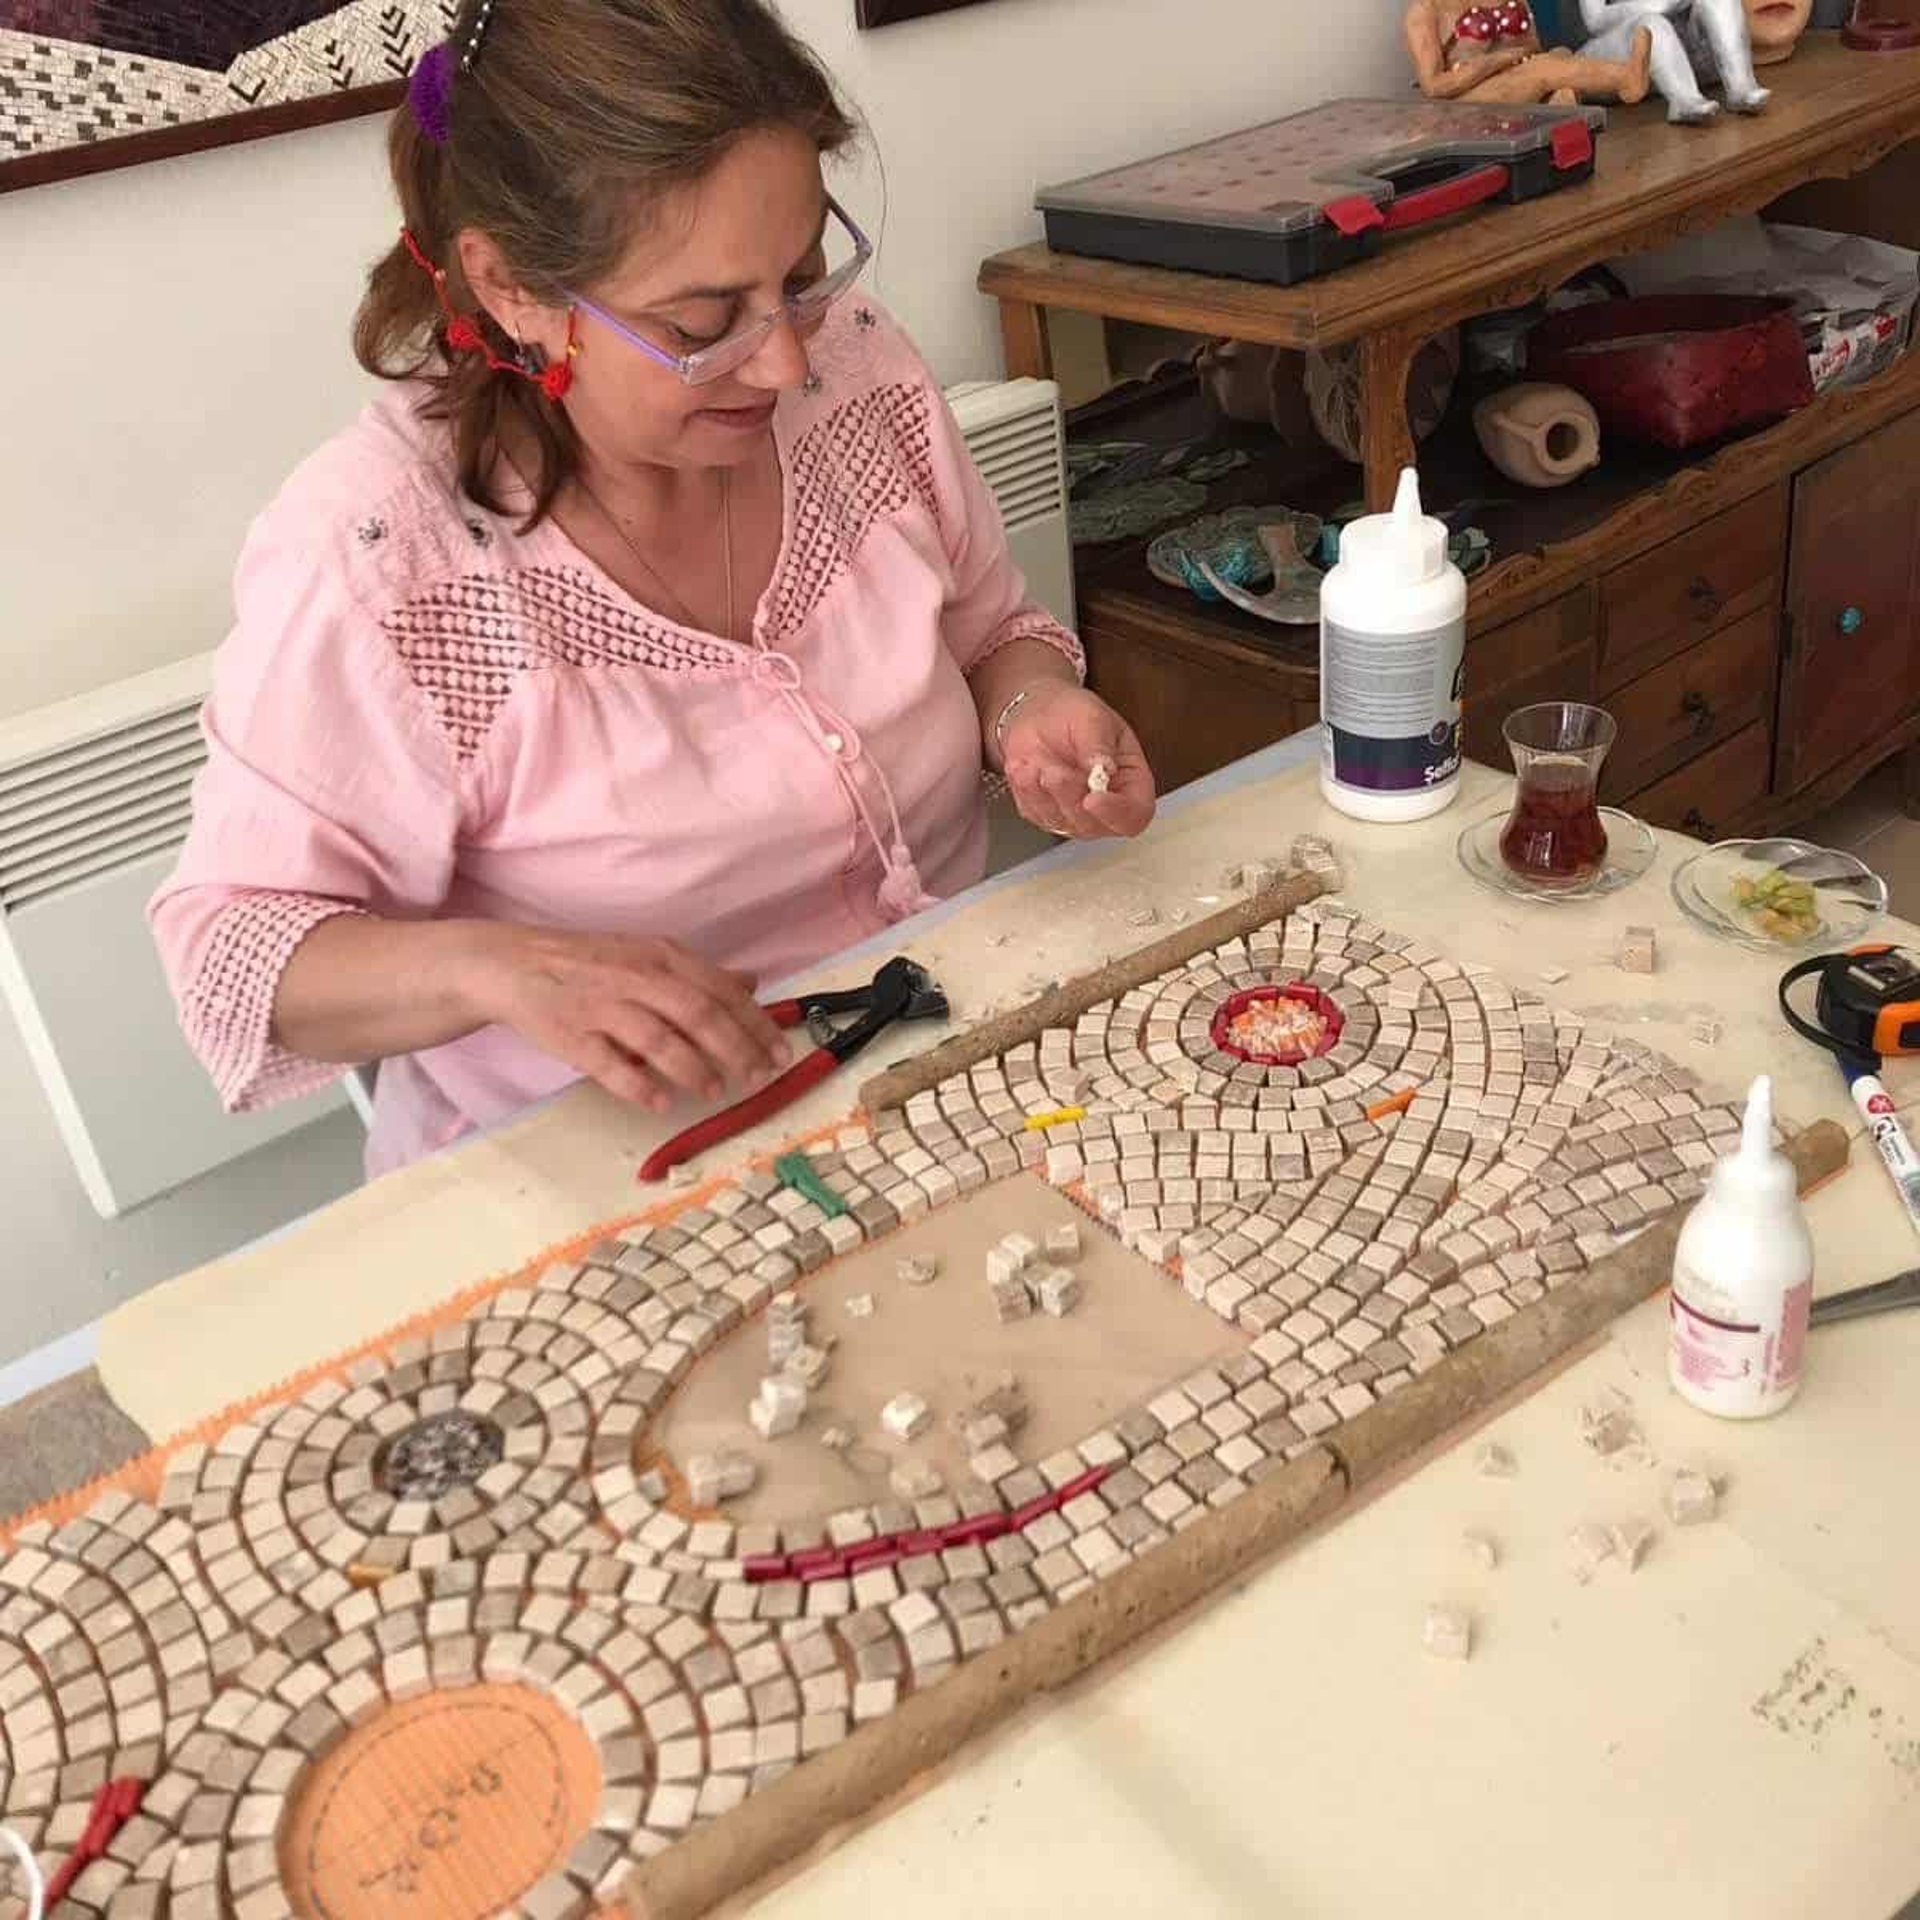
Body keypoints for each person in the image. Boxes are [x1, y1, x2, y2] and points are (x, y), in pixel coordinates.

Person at [150, 0, 1156, 1178]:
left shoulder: (856, 372)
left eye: (801, 276)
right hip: (608, 1180)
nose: (783, 360)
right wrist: (504, 969)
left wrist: (1035, 712)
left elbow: (995, 633)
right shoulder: (384, 563)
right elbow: (228, 951)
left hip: (932, 1074)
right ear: (513, 286)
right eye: (701, 321)